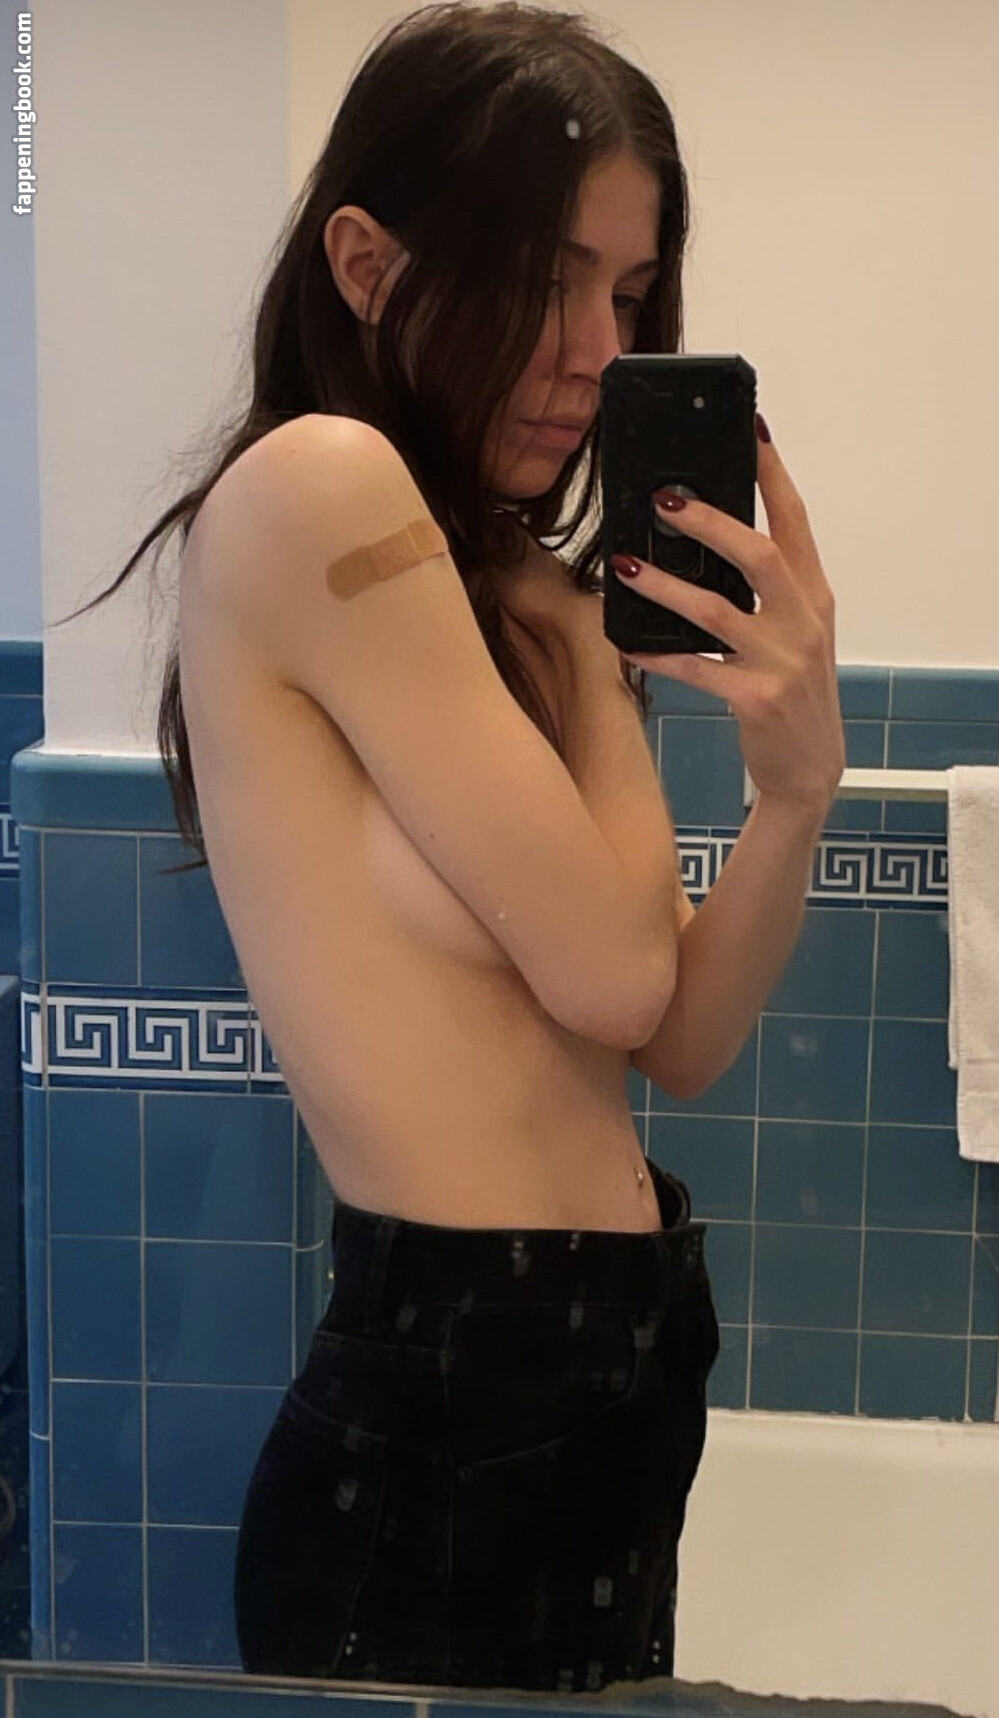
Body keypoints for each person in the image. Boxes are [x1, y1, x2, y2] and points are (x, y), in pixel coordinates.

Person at [54, 0, 844, 1695]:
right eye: (546, 280)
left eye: (627, 296)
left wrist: (796, 789)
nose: (593, 352)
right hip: (448, 1427)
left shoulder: (504, 580)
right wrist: (575, 631)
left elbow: (682, 1042)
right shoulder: (324, 487)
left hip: (598, 1399)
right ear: (365, 263)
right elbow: (619, 972)